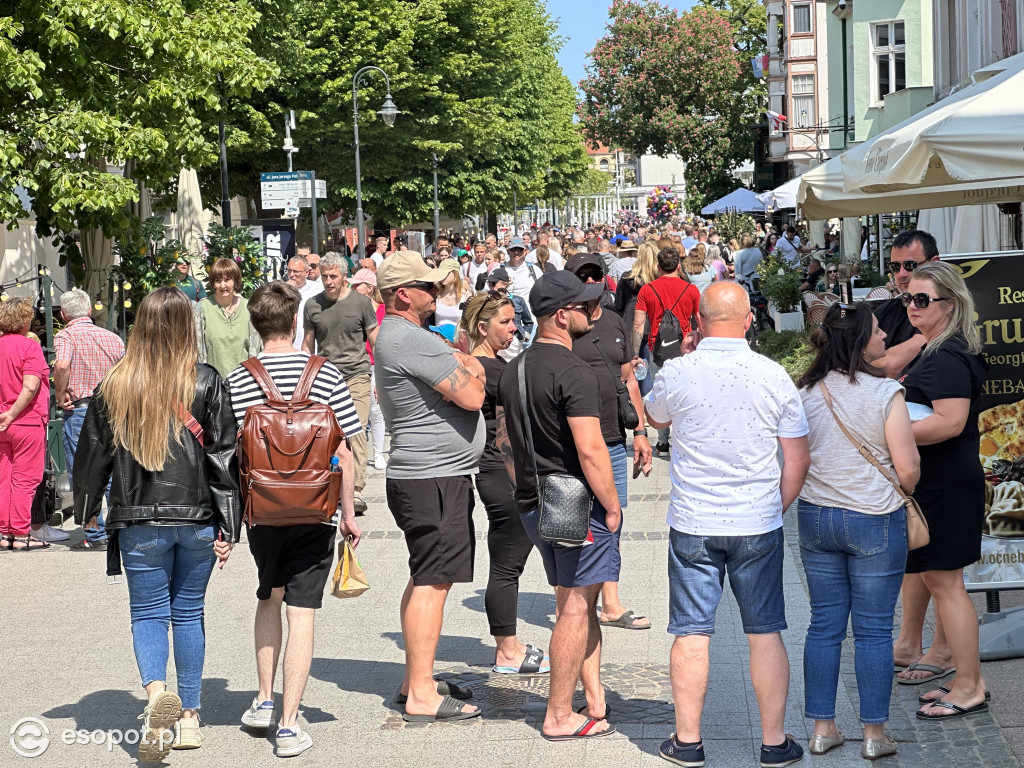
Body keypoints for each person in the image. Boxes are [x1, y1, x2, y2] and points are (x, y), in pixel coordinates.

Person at [644, 282, 810, 768]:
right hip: (756, 519)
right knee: (764, 631)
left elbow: (655, 418)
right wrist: (772, 507)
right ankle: (774, 742)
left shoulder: (678, 371)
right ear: (748, 321)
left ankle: (688, 742)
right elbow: (797, 458)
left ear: (697, 322)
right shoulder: (773, 374)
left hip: (694, 520)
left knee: (692, 632)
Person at [73, 286, 239, 761]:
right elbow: (224, 459)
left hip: (138, 518)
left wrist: (87, 511)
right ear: (189, 327)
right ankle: (188, 717)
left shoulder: (115, 384)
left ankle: (153, 699)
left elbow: (90, 462)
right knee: (188, 613)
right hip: (197, 518)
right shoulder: (206, 381)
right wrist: (229, 526)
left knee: (147, 612)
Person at [227, 282, 361, 758]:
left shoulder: (238, 379)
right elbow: (343, 450)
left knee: (269, 596)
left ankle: (264, 700)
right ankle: (288, 725)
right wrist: (348, 514)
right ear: (296, 323)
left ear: (254, 323)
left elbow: (230, 455)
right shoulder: (324, 375)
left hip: (262, 511)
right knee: (302, 612)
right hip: (316, 509)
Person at [496, 271, 620, 741]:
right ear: (561, 316)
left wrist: (526, 488)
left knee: (578, 601)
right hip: (573, 503)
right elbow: (591, 451)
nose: (594, 311)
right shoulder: (573, 370)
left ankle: (595, 699)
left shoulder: (516, 367)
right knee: (573, 608)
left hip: (532, 501)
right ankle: (559, 714)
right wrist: (611, 505)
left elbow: (504, 441)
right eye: (585, 305)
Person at [795, 303, 920, 760]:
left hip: (815, 517)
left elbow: (789, 458)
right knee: (872, 632)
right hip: (874, 517)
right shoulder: (885, 392)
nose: (886, 335)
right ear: (859, 341)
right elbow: (907, 470)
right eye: (877, 329)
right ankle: (874, 733)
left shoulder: (805, 392)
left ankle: (823, 729)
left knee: (824, 626)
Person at [374, 252, 486, 723]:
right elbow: (474, 392)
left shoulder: (403, 336)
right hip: (430, 477)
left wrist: (460, 362)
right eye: (429, 286)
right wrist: (469, 364)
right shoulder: (409, 339)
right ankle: (421, 692)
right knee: (432, 582)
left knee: (426, 575)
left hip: (429, 475)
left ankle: (414, 678)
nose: (437, 292)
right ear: (404, 293)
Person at [890, 262, 990, 722]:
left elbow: (950, 422)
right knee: (941, 581)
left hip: (947, 484)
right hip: (940, 482)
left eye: (922, 299)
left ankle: (970, 686)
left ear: (949, 305)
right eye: (910, 296)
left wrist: (893, 434)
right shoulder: (936, 349)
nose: (912, 305)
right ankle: (962, 675)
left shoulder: (947, 356)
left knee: (947, 585)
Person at [459, 292, 549, 675]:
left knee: (507, 561)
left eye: (514, 321)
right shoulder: (486, 367)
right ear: (482, 327)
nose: (515, 328)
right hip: (500, 471)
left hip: (497, 469)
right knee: (507, 562)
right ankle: (508, 651)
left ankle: (507, 645)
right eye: (506, 322)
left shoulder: (482, 363)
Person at [566, 254, 653, 630]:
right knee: (573, 521)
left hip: (615, 438)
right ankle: (573, 597)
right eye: (581, 276)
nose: (589, 282)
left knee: (613, 519)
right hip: (572, 440)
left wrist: (640, 431)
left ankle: (611, 603)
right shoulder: (563, 324)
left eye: (595, 275)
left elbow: (629, 379)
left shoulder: (615, 321)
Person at [303, 252, 378, 515]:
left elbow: (374, 339)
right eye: (324, 276)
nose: (328, 280)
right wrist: (303, 377)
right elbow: (308, 344)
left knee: (355, 428)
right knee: (325, 433)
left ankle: (356, 490)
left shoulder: (361, 303)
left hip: (357, 373)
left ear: (344, 276)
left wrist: (380, 375)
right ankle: (328, 484)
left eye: (333, 276)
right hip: (325, 377)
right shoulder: (312, 305)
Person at [54, 288, 126, 549]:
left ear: (63, 314)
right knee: (112, 469)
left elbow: (62, 365)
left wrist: (60, 395)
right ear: (88, 311)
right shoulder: (112, 338)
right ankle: (119, 526)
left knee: (85, 472)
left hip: (81, 408)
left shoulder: (66, 335)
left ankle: (94, 532)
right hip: (111, 408)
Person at [632, 247, 700, 455]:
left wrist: (635, 353)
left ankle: (662, 441)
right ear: (679, 266)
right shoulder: (691, 290)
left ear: (658, 267)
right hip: (686, 348)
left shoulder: (647, 290)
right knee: (685, 391)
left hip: (657, 349)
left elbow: (637, 325)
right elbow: (700, 321)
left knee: (661, 392)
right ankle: (683, 436)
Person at [0, 297, 51, 550]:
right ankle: (20, 533)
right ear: (24, 319)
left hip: (2, 423)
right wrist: (13, 412)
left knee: (4, 478)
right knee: (25, 479)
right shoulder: (30, 347)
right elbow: (30, 386)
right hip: (26, 421)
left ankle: (4, 532)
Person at [874, 230, 942, 378]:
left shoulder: (945, 307)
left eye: (910, 265)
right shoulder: (886, 311)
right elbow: (851, 359)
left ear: (935, 263)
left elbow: (890, 366)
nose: (902, 274)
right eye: (895, 267)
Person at [193, 258, 262, 379]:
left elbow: (258, 348)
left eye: (227, 280)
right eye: (218, 281)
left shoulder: (249, 308)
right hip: (214, 385)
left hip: (245, 382)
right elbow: (196, 349)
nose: (222, 285)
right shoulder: (201, 309)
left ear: (235, 280)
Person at [349, 268, 388, 470]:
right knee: (357, 413)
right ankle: (359, 455)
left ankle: (379, 452)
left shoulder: (383, 310)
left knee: (376, 410)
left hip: (375, 364)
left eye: (358, 285)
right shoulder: (350, 308)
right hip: (357, 364)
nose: (353, 288)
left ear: (370, 288)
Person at [486, 268, 534, 360]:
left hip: (514, 345)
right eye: (489, 284)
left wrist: (526, 333)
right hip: (494, 344)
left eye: (493, 283)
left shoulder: (518, 300)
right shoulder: (487, 301)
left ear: (504, 284)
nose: (490, 287)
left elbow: (528, 321)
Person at [286, 255, 324, 351]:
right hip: (288, 347)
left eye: (296, 271)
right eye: (289, 270)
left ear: (306, 272)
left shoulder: (318, 289)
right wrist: (285, 290)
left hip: (311, 347)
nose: (291, 275)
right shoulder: (281, 289)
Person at [432, 258, 465, 332]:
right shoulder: (435, 295)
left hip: (458, 340)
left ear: (455, 273)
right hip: (438, 339)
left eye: (446, 273)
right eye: (441, 272)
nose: (443, 275)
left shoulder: (465, 297)